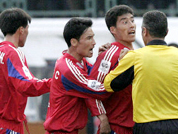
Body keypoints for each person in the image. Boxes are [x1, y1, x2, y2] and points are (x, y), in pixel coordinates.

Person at [104, 10, 178, 134]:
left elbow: (109, 84)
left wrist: (122, 62)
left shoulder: (134, 56)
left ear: (144, 31)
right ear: (166, 32)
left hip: (147, 126)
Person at [44, 17, 111, 134]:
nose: (94, 42)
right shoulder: (69, 69)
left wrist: (101, 59)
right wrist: (125, 77)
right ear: (74, 42)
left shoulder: (79, 62)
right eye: (89, 38)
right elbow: (98, 90)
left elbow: (94, 77)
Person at [0, 8, 51, 134]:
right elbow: (27, 85)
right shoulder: (12, 53)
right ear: (21, 29)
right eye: (27, 28)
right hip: (7, 126)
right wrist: (56, 81)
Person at [89, 5, 135, 134]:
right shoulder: (109, 54)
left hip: (136, 126)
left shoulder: (137, 54)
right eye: (125, 22)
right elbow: (92, 88)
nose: (131, 25)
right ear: (113, 29)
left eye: (132, 20)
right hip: (116, 127)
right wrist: (102, 118)